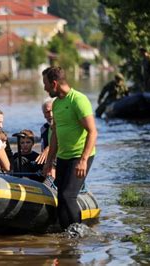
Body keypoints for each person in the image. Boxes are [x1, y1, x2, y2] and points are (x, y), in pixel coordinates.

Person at [41, 66, 98, 230]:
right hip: (63, 157)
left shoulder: (78, 100)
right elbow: (56, 136)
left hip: (79, 156)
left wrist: (83, 160)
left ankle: (78, 232)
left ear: (54, 83)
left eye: (45, 84)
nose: (44, 88)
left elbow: (93, 132)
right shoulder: (57, 104)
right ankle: (65, 234)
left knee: (68, 195)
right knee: (61, 196)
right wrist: (49, 161)